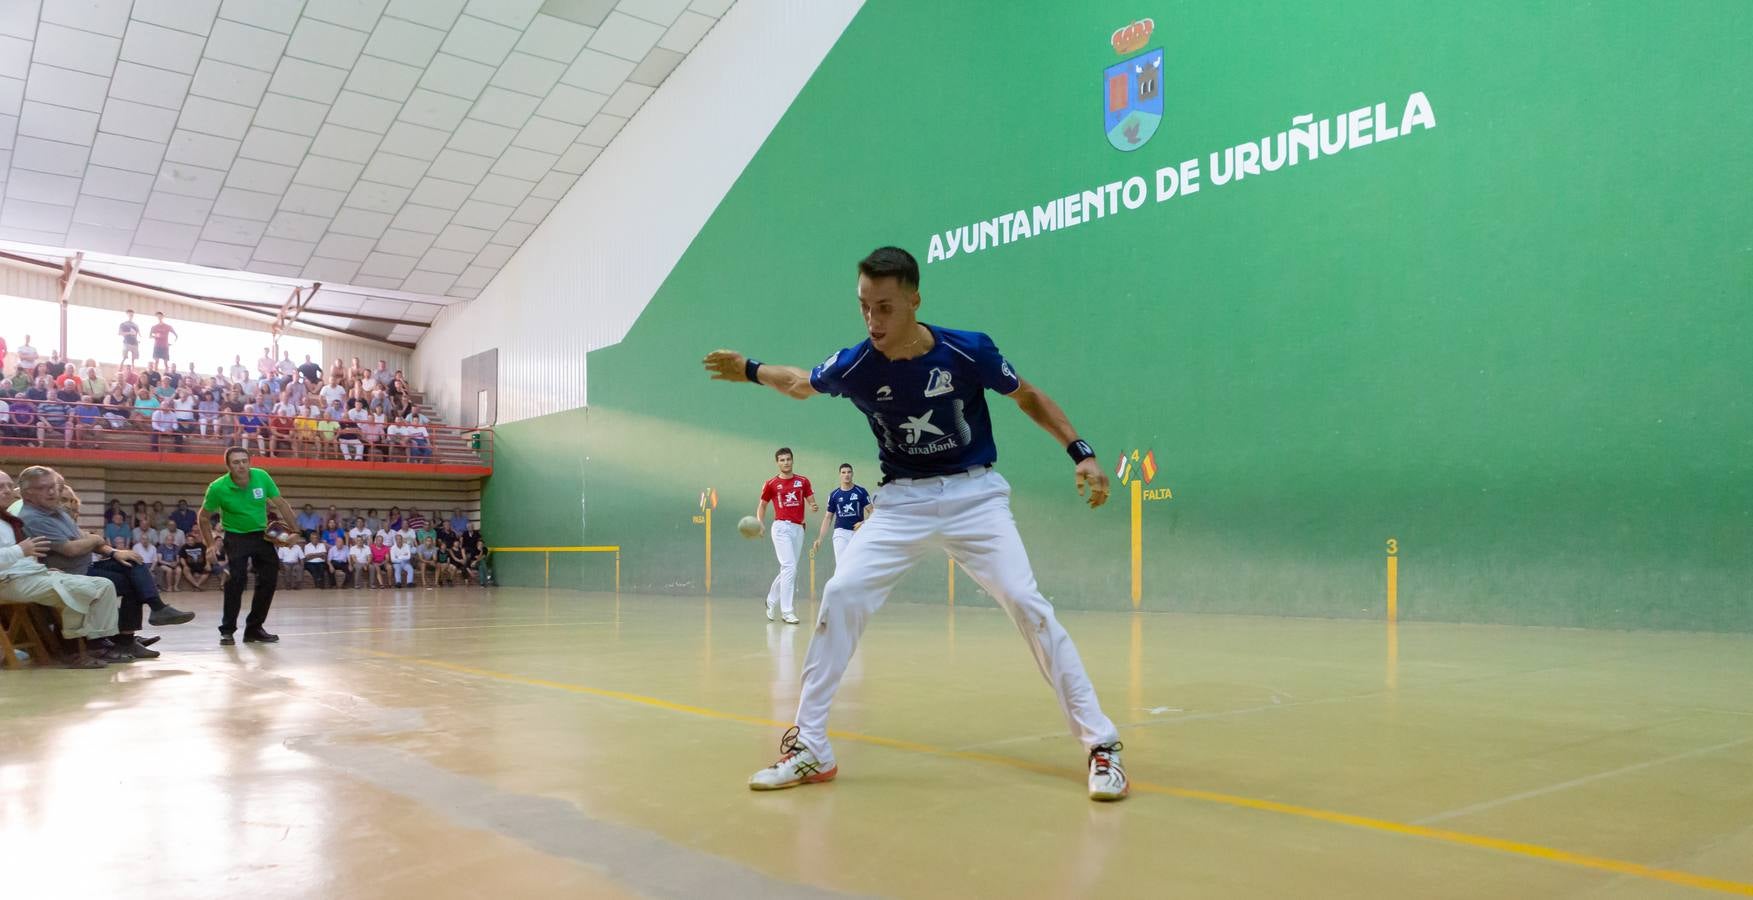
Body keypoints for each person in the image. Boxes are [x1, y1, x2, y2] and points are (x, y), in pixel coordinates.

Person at [702, 246, 1127, 801]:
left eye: (884, 308)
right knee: (841, 593)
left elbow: (1027, 397)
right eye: (864, 307)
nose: (873, 321)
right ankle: (810, 747)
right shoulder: (857, 364)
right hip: (900, 503)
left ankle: (1102, 747)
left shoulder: (966, 350)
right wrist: (752, 370)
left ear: (914, 300)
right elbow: (802, 382)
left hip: (975, 497)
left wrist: (1081, 452)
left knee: (1027, 603)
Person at [17, 467, 194, 658]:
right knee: (131, 581)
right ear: (28, 494)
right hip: (68, 574)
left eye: (53, 487)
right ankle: (128, 636)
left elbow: (82, 537)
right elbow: (71, 549)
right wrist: (95, 539)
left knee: (132, 561)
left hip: (84, 567)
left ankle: (154, 612)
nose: (52, 492)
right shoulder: (33, 518)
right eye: (44, 488)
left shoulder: (54, 511)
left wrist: (114, 551)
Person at [0, 468, 125, 667]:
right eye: (0, 487)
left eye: (8, 485)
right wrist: (19, 550)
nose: (7, 491)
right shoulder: (19, 518)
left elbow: (25, 557)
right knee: (77, 590)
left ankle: (97, 642)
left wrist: (42, 569)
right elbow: (18, 554)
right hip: (6, 583)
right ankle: (77, 649)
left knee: (103, 585)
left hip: (28, 575)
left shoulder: (8, 520)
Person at [198, 447, 299, 645]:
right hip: (236, 537)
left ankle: (254, 629)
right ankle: (227, 630)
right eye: (236, 462)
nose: (241, 465)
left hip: (261, 535)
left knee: (269, 579)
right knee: (236, 580)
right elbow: (203, 517)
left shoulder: (261, 476)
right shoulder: (217, 487)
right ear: (228, 466)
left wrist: (296, 531)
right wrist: (210, 544)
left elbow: (281, 503)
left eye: (244, 461)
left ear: (250, 461)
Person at [756, 448, 816, 624]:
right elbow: (762, 506)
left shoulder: (802, 481)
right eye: (782, 460)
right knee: (789, 567)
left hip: (799, 529)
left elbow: (811, 499)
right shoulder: (771, 484)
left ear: (792, 460)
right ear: (777, 463)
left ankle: (771, 600)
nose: (786, 462)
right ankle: (787, 611)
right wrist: (760, 522)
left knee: (789, 569)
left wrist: (813, 506)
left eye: (788, 459)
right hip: (781, 527)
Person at [811, 463, 872, 564]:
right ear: (840, 475)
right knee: (841, 565)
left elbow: (872, 512)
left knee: (856, 565)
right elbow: (828, 518)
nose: (846, 475)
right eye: (843, 472)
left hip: (858, 533)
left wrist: (863, 523)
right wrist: (820, 539)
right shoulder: (834, 495)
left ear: (852, 474)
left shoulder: (860, 492)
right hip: (841, 533)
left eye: (849, 472)